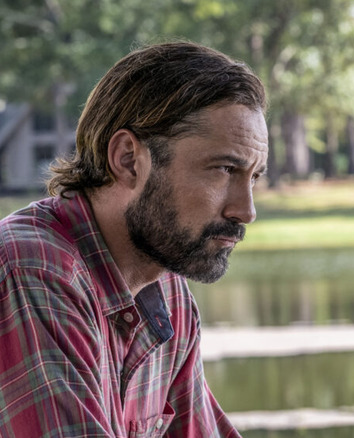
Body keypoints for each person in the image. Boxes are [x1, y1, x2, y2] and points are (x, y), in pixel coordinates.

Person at [0, 41, 268, 436]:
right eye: (225, 169)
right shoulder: (31, 269)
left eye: (254, 177)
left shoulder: (168, 294)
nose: (246, 211)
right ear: (128, 159)